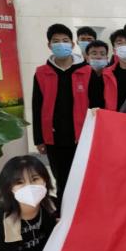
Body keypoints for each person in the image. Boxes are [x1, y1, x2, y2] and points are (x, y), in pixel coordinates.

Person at [32, 24, 104, 201]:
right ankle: (63, 211)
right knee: (61, 179)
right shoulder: (42, 73)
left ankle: (84, 210)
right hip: (54, 137)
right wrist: (39, 138)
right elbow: (37, 106)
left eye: (65, 40)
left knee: (83, 177)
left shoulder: (87, 71)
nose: (61, 44)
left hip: (81, 136)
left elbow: (97, 105)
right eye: (56, 41)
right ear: (49, 45)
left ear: (72, 44)